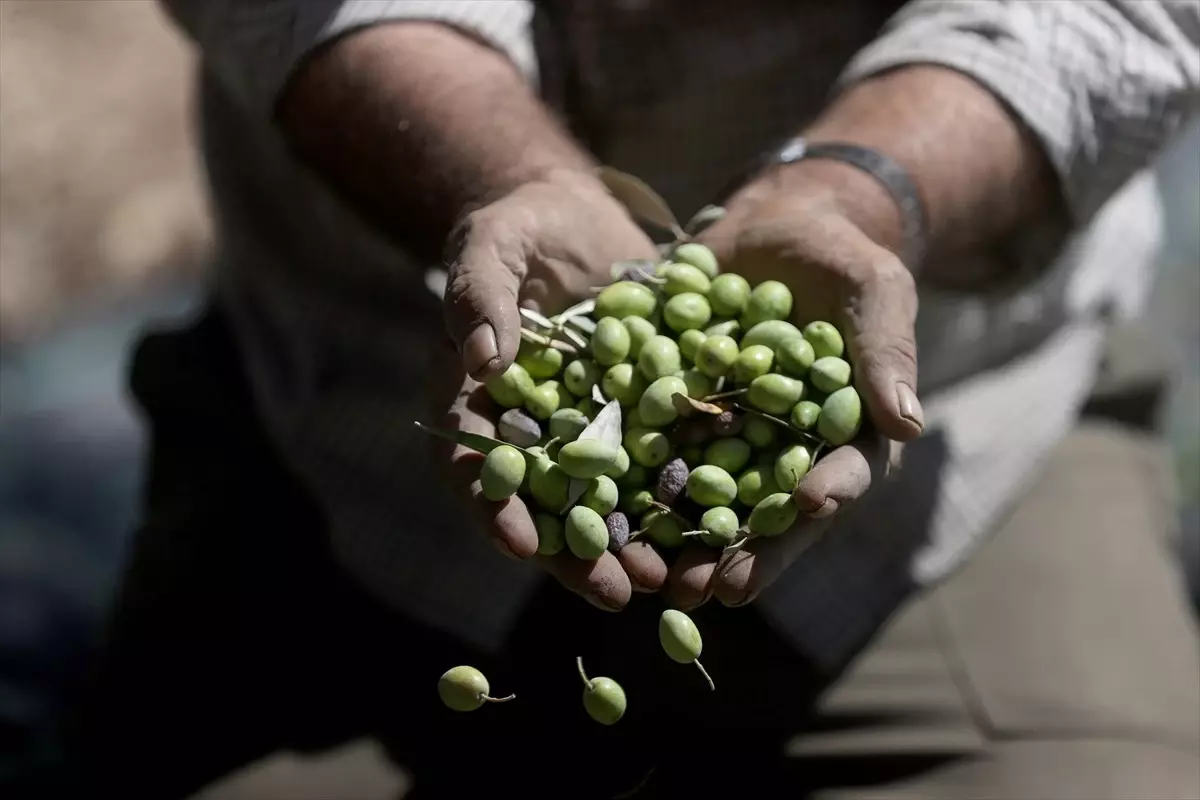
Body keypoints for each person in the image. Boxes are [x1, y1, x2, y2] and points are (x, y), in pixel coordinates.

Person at [60, 1, 1200, 798]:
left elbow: (1104, 16)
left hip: (955, 436)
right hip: (344, 438)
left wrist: (859, 198)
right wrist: (506, 183)